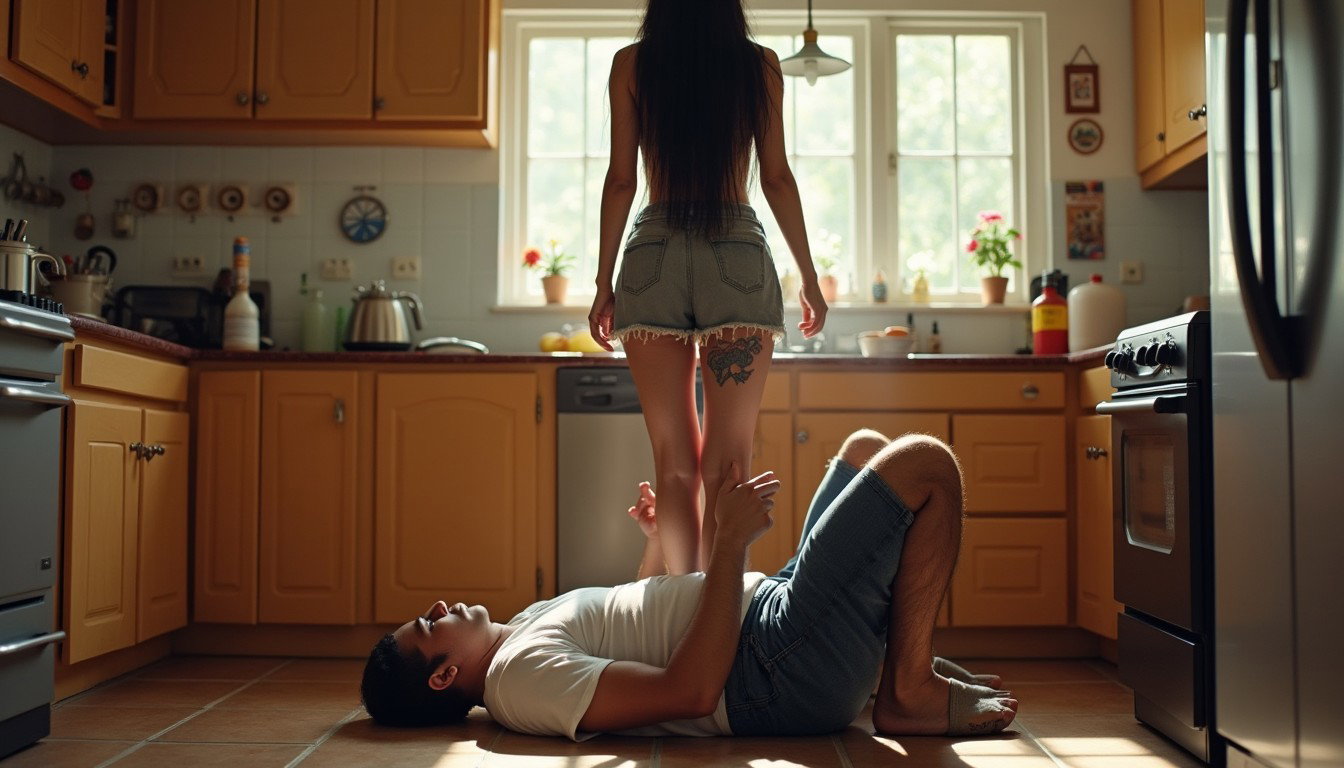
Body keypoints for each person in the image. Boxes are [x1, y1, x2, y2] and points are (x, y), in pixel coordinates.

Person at [361, 430, 1018, 738]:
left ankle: (900, 668)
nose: (439, 608)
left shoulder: (524, 631)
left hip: (767, 627)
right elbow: (689, 690)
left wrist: (652, 546)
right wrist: (728, 542)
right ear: (443, 676)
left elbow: (636, 627)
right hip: (771, 674)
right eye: (428, 626)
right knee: (924, 465)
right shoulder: (520, 680)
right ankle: (904, 691)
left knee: (862, 448)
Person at [586, 0, 828, 575]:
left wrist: (603, 283)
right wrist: (810, 280)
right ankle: (717, 612)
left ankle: (680, 608)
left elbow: (622, 180)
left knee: (673, 463)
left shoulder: (632, 65)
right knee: (729, 462)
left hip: (653, 257)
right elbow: (776, 177)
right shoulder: (760, 66)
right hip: (736, 255)